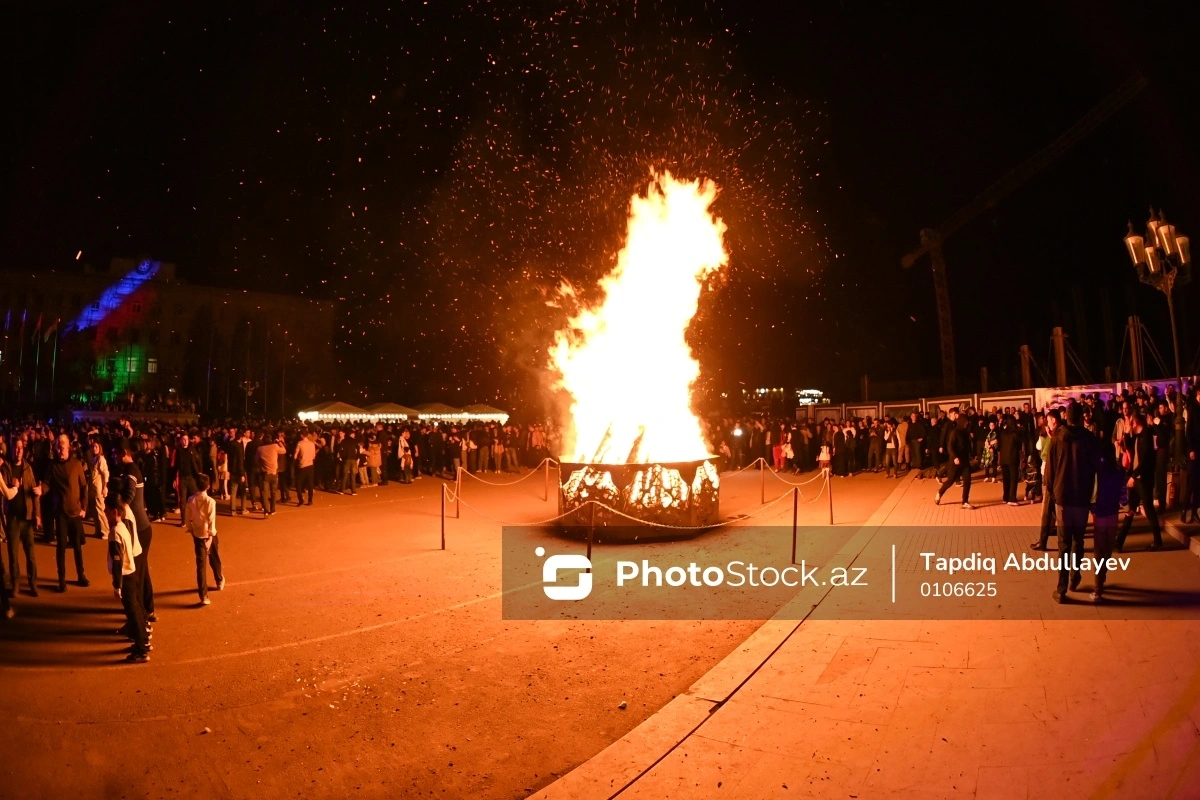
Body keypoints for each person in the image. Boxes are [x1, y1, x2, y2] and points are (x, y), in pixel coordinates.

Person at [1046, 403, 1099, 603]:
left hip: (1063, 499)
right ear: (1081, 417)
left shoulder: (1057, 440)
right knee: (1078, 540)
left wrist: (1052, 492)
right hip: (1082, 498)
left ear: (1066, 417)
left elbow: (1049, 472)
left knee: (1064, 544)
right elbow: (1096, 468)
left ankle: (1061, 589)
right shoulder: (1089, 439)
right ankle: (1075, 576)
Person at [114, 440, 156, 624]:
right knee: (142, 571)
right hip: (142, 529)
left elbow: (129, 495)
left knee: (135, 576)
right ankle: (148, 609)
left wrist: (117, 507)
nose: (114, 457)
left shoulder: (130, 471)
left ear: (124, 452)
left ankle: (140, 618)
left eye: (116, 453)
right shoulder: (132, 469)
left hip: (139, 531)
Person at [107, 489, 149, 662]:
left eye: (106, 509)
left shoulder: (115, 533)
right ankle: (143, 640)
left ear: (115, 512)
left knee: (132, 612)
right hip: (131, 572)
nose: (104, 512)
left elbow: (117, 561)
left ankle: (141, 649)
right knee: (136, 608)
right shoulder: (124, 526)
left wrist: (117, 585)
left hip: (126, 576)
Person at [44, 433, 89, 592]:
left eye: (62, 444)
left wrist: (84, 507)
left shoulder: (76, 464)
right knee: (61, 547)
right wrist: (40, 489)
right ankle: (61, 579)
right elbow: (47, 484)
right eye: (57, 445)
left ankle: (80, 575)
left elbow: (84, 486)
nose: (59, 447)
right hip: (61, 513)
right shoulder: (53, 466)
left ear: (68, 446)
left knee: (77, 546)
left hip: (75, 512)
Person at [1116, 413, 1162, 552]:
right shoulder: (1137, 437)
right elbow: (1129, 447)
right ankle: (1119, 542)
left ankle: (1158, 541)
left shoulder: (1147, 437)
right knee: (1130, 510)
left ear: (1137, 423)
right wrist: (1125, 432)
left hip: (1144, 479)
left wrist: (1134, 475)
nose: (1130, 426)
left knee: (1149, 510)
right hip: (1137, 479)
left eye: (1131, 423)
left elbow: (1145, 460)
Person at [2, 440, 39, 596]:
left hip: (27, 517)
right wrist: (13, 486)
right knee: (13, 554)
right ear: (12, 450)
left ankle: (33, 583)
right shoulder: (5, 469)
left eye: (20, 448)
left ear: (24, 450)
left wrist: (37, 514)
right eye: (15, 448)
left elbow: (34, 492)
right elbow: (4, 492)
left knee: (30, 554)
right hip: (13, 518)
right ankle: (15, 584)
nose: (18, 451)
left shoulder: (27, 468)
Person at [1091, 442, 1126, 603]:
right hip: (1113, 514)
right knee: (1107, 551)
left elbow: (1093, 494)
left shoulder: (1097, 472)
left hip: (1099, 514)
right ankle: (1102, 578)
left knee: (1098, 552)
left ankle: (1098, 590)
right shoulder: (1119, 472)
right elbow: (1124, 499)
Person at [185, 474, 224, 606]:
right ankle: (219, 580)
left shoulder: (191, 500)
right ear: (208, 486)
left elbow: (187, 518)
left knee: (201, 565)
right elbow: (212, 521)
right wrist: (210, 538)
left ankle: (203, 595)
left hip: (198, 534)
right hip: (209, 535)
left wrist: (191, 530)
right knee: (214, 558)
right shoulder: (210, 502)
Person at [934, 414, 974, 509]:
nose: (967, 423)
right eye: (965, 421)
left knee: (967, 481)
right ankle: (939, 493)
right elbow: (950, 446)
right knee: (950, 481)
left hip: (964, 461)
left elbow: (967, 446)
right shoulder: (955, 432)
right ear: (961, 422)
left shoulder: (965, 432)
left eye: (967, 421)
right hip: (955, 461)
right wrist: (955, 457)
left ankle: (964, 501)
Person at [255, 432, 285, 516]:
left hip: (265, 473)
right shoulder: (274, 446)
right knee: (273, 492)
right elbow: (284, 451)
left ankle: (266, 510)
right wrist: (279, 442)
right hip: (274, 472)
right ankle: (273, 509)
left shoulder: (260, 449)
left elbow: (256, 460)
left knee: (264, 492)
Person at [88, 440, 111, 539]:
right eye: (93, 447)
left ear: (100, 448)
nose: (94, 448)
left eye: (96, 447)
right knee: (94, 510)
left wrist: (105, 487)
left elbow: (105, 473)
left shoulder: (101, 459)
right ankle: (98, 530)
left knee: (100, 509)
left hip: (99, 487)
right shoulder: (94, 459)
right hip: (92, 487)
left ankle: (106, 530)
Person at [293, 431, 316, 506]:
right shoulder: (312, 444)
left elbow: (295, 455)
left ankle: (301, 499)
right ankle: (310, 500)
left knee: (298, 483)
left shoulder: (300, 443)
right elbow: (313, 456)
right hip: (310, 464)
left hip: (302, 465)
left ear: (302, 435)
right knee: (310, 483)